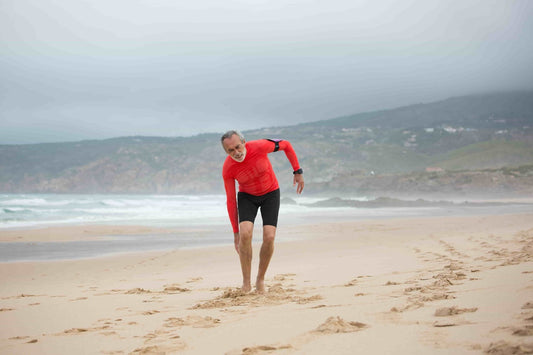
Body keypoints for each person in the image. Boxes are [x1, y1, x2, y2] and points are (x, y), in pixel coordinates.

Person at [221, 130, 304, 293]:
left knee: (269, 236)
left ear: (244, 142)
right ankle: (246, 283)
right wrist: (235, 233)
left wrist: (297, 171)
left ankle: (260, 280)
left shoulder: (259, 146)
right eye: (231, 150)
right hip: (247, 197)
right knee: (245, 234)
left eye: (238, 147)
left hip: (270, 193)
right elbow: (231, 201)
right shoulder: (228, 168)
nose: (236, 153)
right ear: (226, 152)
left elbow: (286, 145)